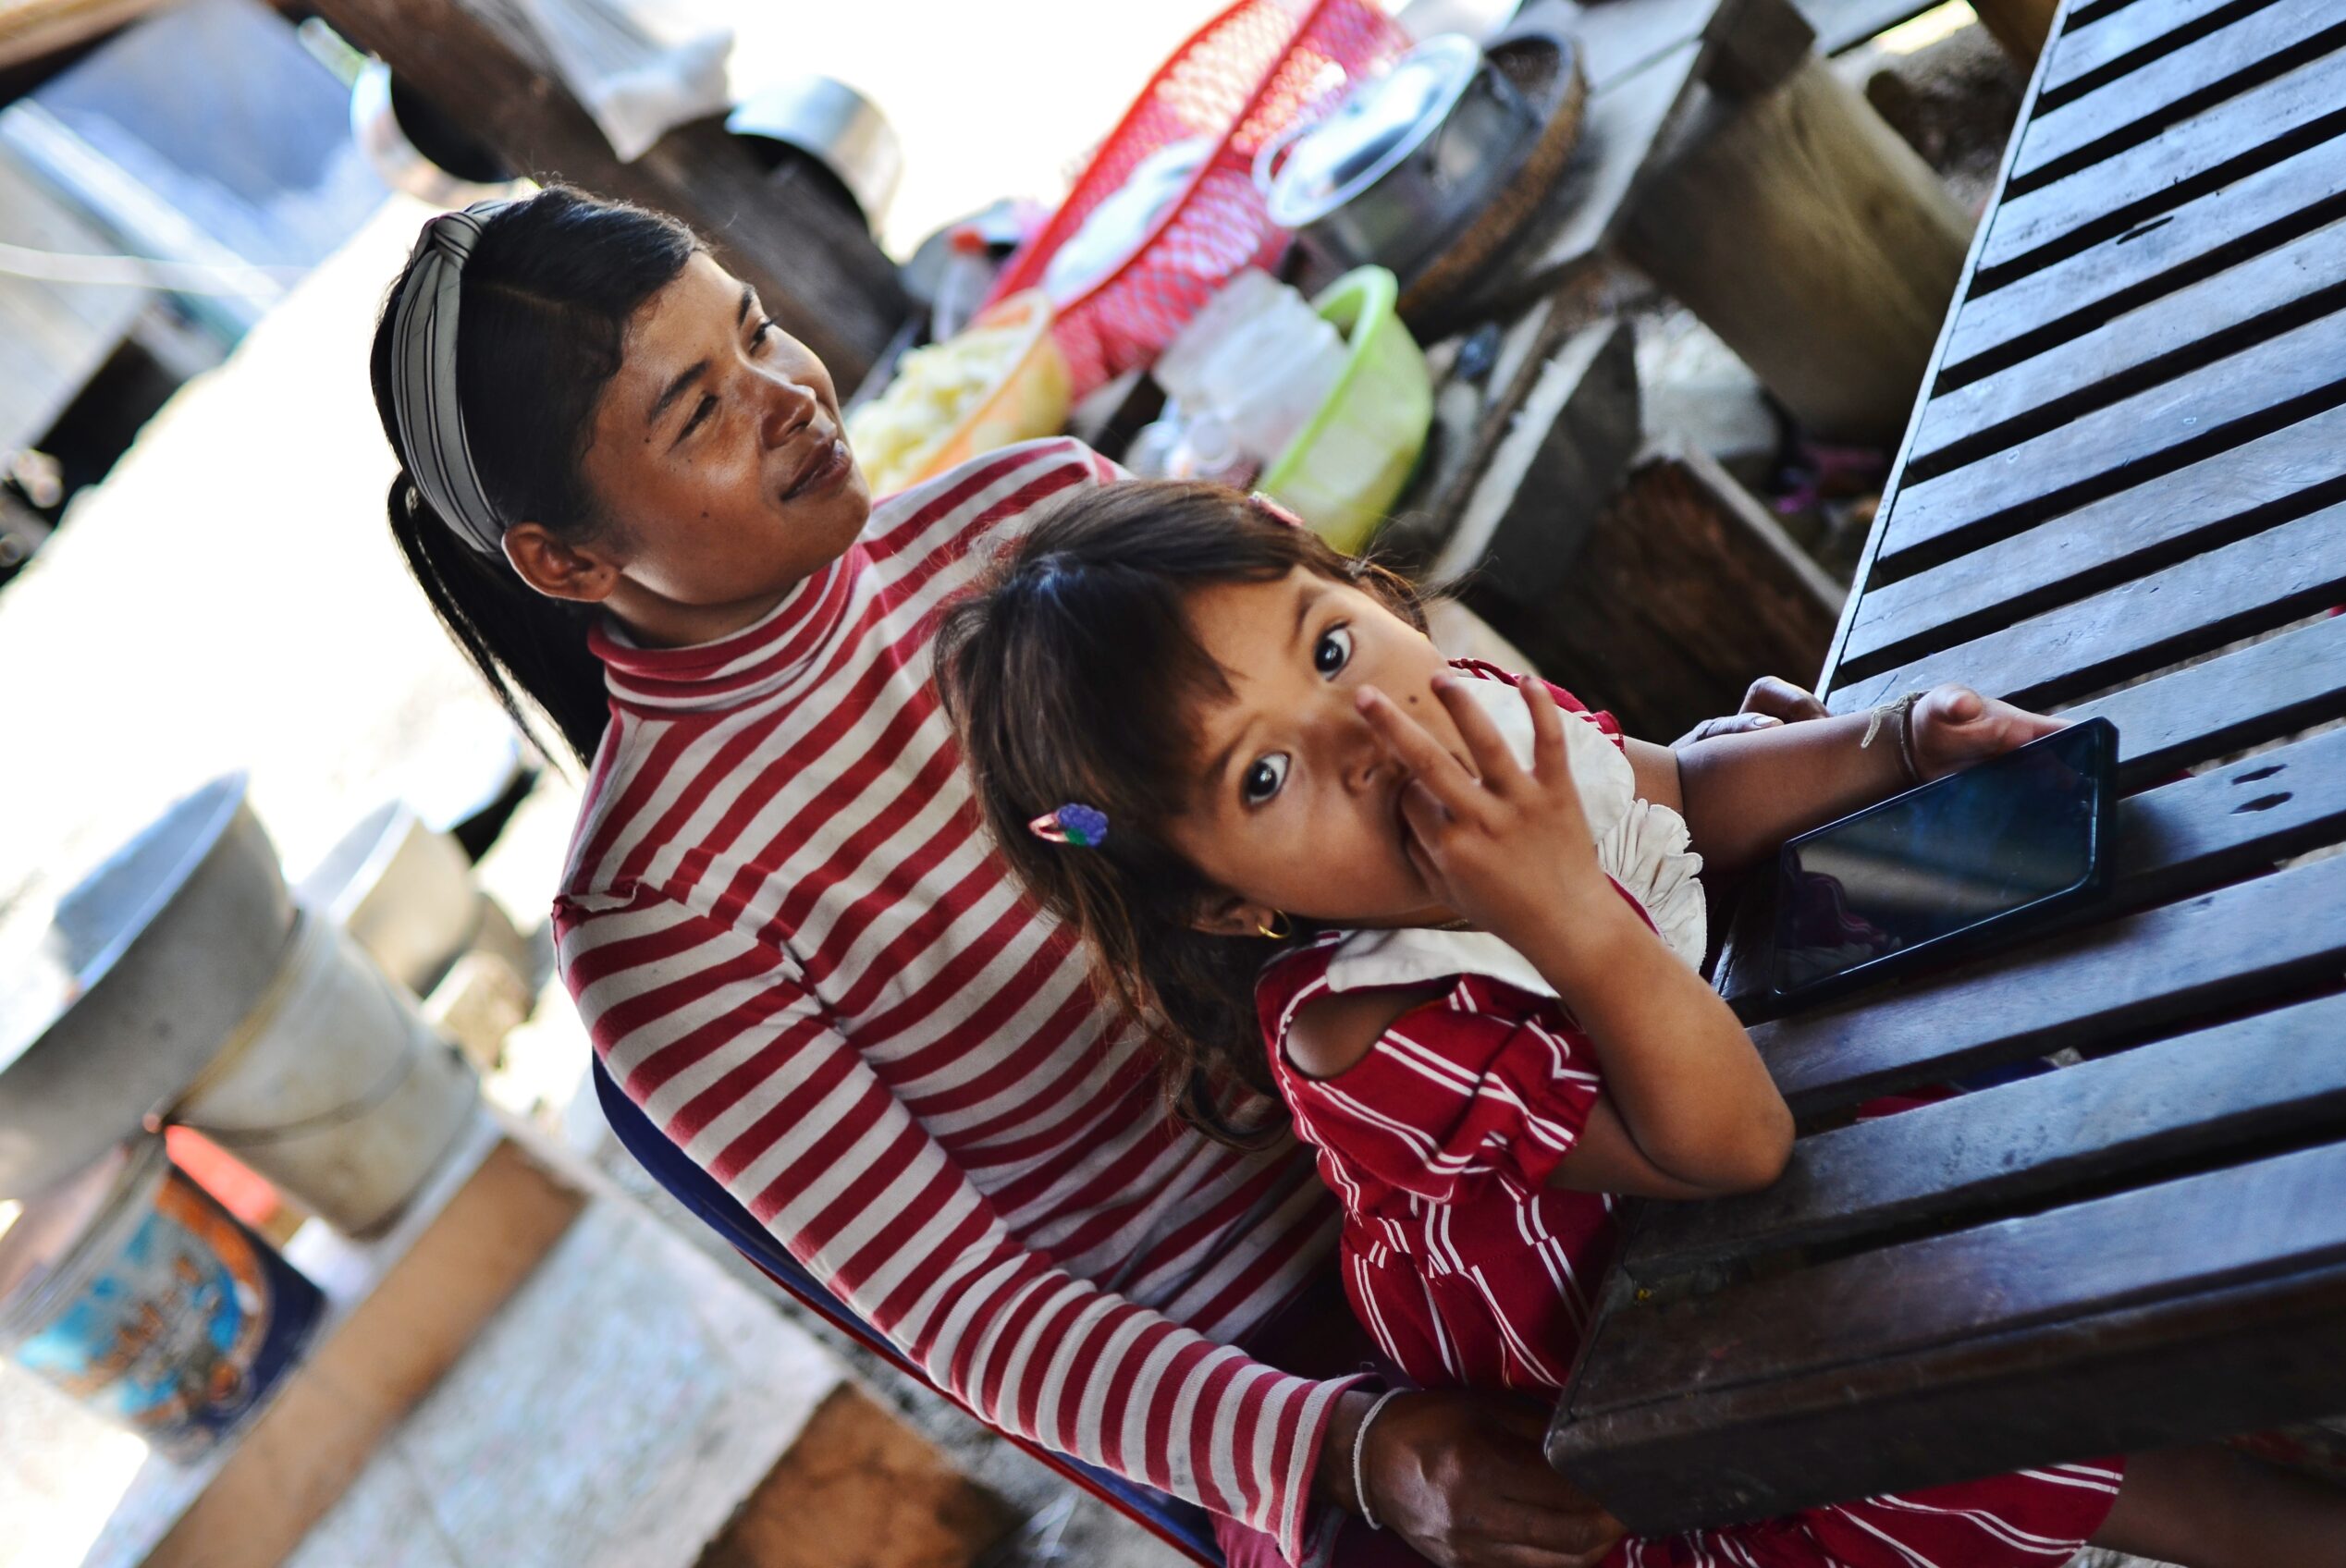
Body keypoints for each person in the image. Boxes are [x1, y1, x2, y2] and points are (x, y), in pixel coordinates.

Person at [367, 185, 1825, 1568]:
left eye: (755, 330)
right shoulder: (662, 914)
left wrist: (1676, 792)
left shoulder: (1032, 527)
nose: (787, 396)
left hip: (1535, 1098)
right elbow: (976, 1314)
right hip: (1300, 1353)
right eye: (699, 411)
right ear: (564, 560)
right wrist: (1358, 1452)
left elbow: (1426, 733)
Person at [935, 479, 2346, 1568]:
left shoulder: (1484, 714)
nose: (1365, 732)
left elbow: (1675, 797)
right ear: (1225, 904)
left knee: (2100, 1036)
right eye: (1263, 779)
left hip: (1753, 1101)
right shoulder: (1366, 1035)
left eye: (1327, 646)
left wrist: (1894, 742)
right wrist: (1560, 907)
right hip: (1663, 1329)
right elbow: (1729, 1148)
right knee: (2008, 1420)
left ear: (1356, 584)